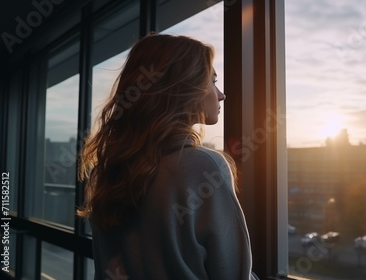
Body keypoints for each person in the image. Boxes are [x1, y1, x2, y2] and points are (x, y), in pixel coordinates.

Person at [77, 33, 257, 280]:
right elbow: (233, 275)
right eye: (212, 81)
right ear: (185, 87)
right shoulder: (203, 166)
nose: (221, 94)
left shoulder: (109, 172)